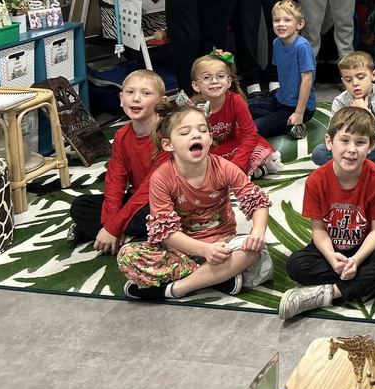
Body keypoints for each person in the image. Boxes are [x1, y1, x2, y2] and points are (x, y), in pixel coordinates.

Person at [117, 100, 272, 300]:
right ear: (168, 144)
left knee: (252, 250)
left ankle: (177, 288)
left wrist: (257, 232)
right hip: (181, 248)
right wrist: (203, 250)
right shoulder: (162, 177)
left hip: (223, 244)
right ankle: (218, 276)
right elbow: (166, 233)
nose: (196, 135)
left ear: (210, 138)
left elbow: (256, 201)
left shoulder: (224, 167)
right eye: (184, 133)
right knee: (127, 255)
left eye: (202, 130)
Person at [279, 107, 375, 319]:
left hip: (367, 246)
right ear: (329, 142)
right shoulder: (316, 180)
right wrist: (331, 257)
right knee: (296, 265)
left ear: (371, 147)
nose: (352, 149)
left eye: (360, 142)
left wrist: (357, 260)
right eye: (345, 141)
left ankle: (329, 293)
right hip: (332, 247)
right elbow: (318, 230)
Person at [68, 70, 168, 252]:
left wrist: (114, 227)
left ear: (162, 102)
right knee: (80, 205)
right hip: (136, 200)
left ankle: (100, 234)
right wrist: (110, 224)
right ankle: (123, 238)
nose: (136, 99)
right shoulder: (122, 135)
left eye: (146, 93)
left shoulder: (167, 136)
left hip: (166, 202)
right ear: (121, 99)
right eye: (130, 92)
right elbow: (115, 180)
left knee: (158, 219)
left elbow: (150, 188)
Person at [191, 52, 281, 179]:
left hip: (234, 144)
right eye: (206, 77)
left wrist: (237, 166)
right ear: (196, 85)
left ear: (228, 82)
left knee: (260, 151)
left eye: (220, 76)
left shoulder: (235, 101)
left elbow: (249, 134)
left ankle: (251, 170)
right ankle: (252, 171)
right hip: (209, 151)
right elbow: (192, 144)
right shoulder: (193, 109)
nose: (214, 81)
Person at [311, 51, 375, 169]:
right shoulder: (340, 101)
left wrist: (366, 112)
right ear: (343, 81)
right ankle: (364, 166)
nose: (355, 83)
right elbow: (333, 135)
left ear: (374, 75)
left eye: (361, 77)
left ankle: (349, 165)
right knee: (318, 153)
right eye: (348, 80)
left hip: (373, 147)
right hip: (347, 147)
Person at [249, 0, 316, 141]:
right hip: (281, 99)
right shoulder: (276, 43)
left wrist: (299, 112)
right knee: (248, 107)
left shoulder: (302, 47)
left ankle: (294, 125)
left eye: (287, 20)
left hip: (299, 107)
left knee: (255, 128)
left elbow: (307, 80)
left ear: (299, 24)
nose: (281, 24)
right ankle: (279, 120)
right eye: (276, 20)